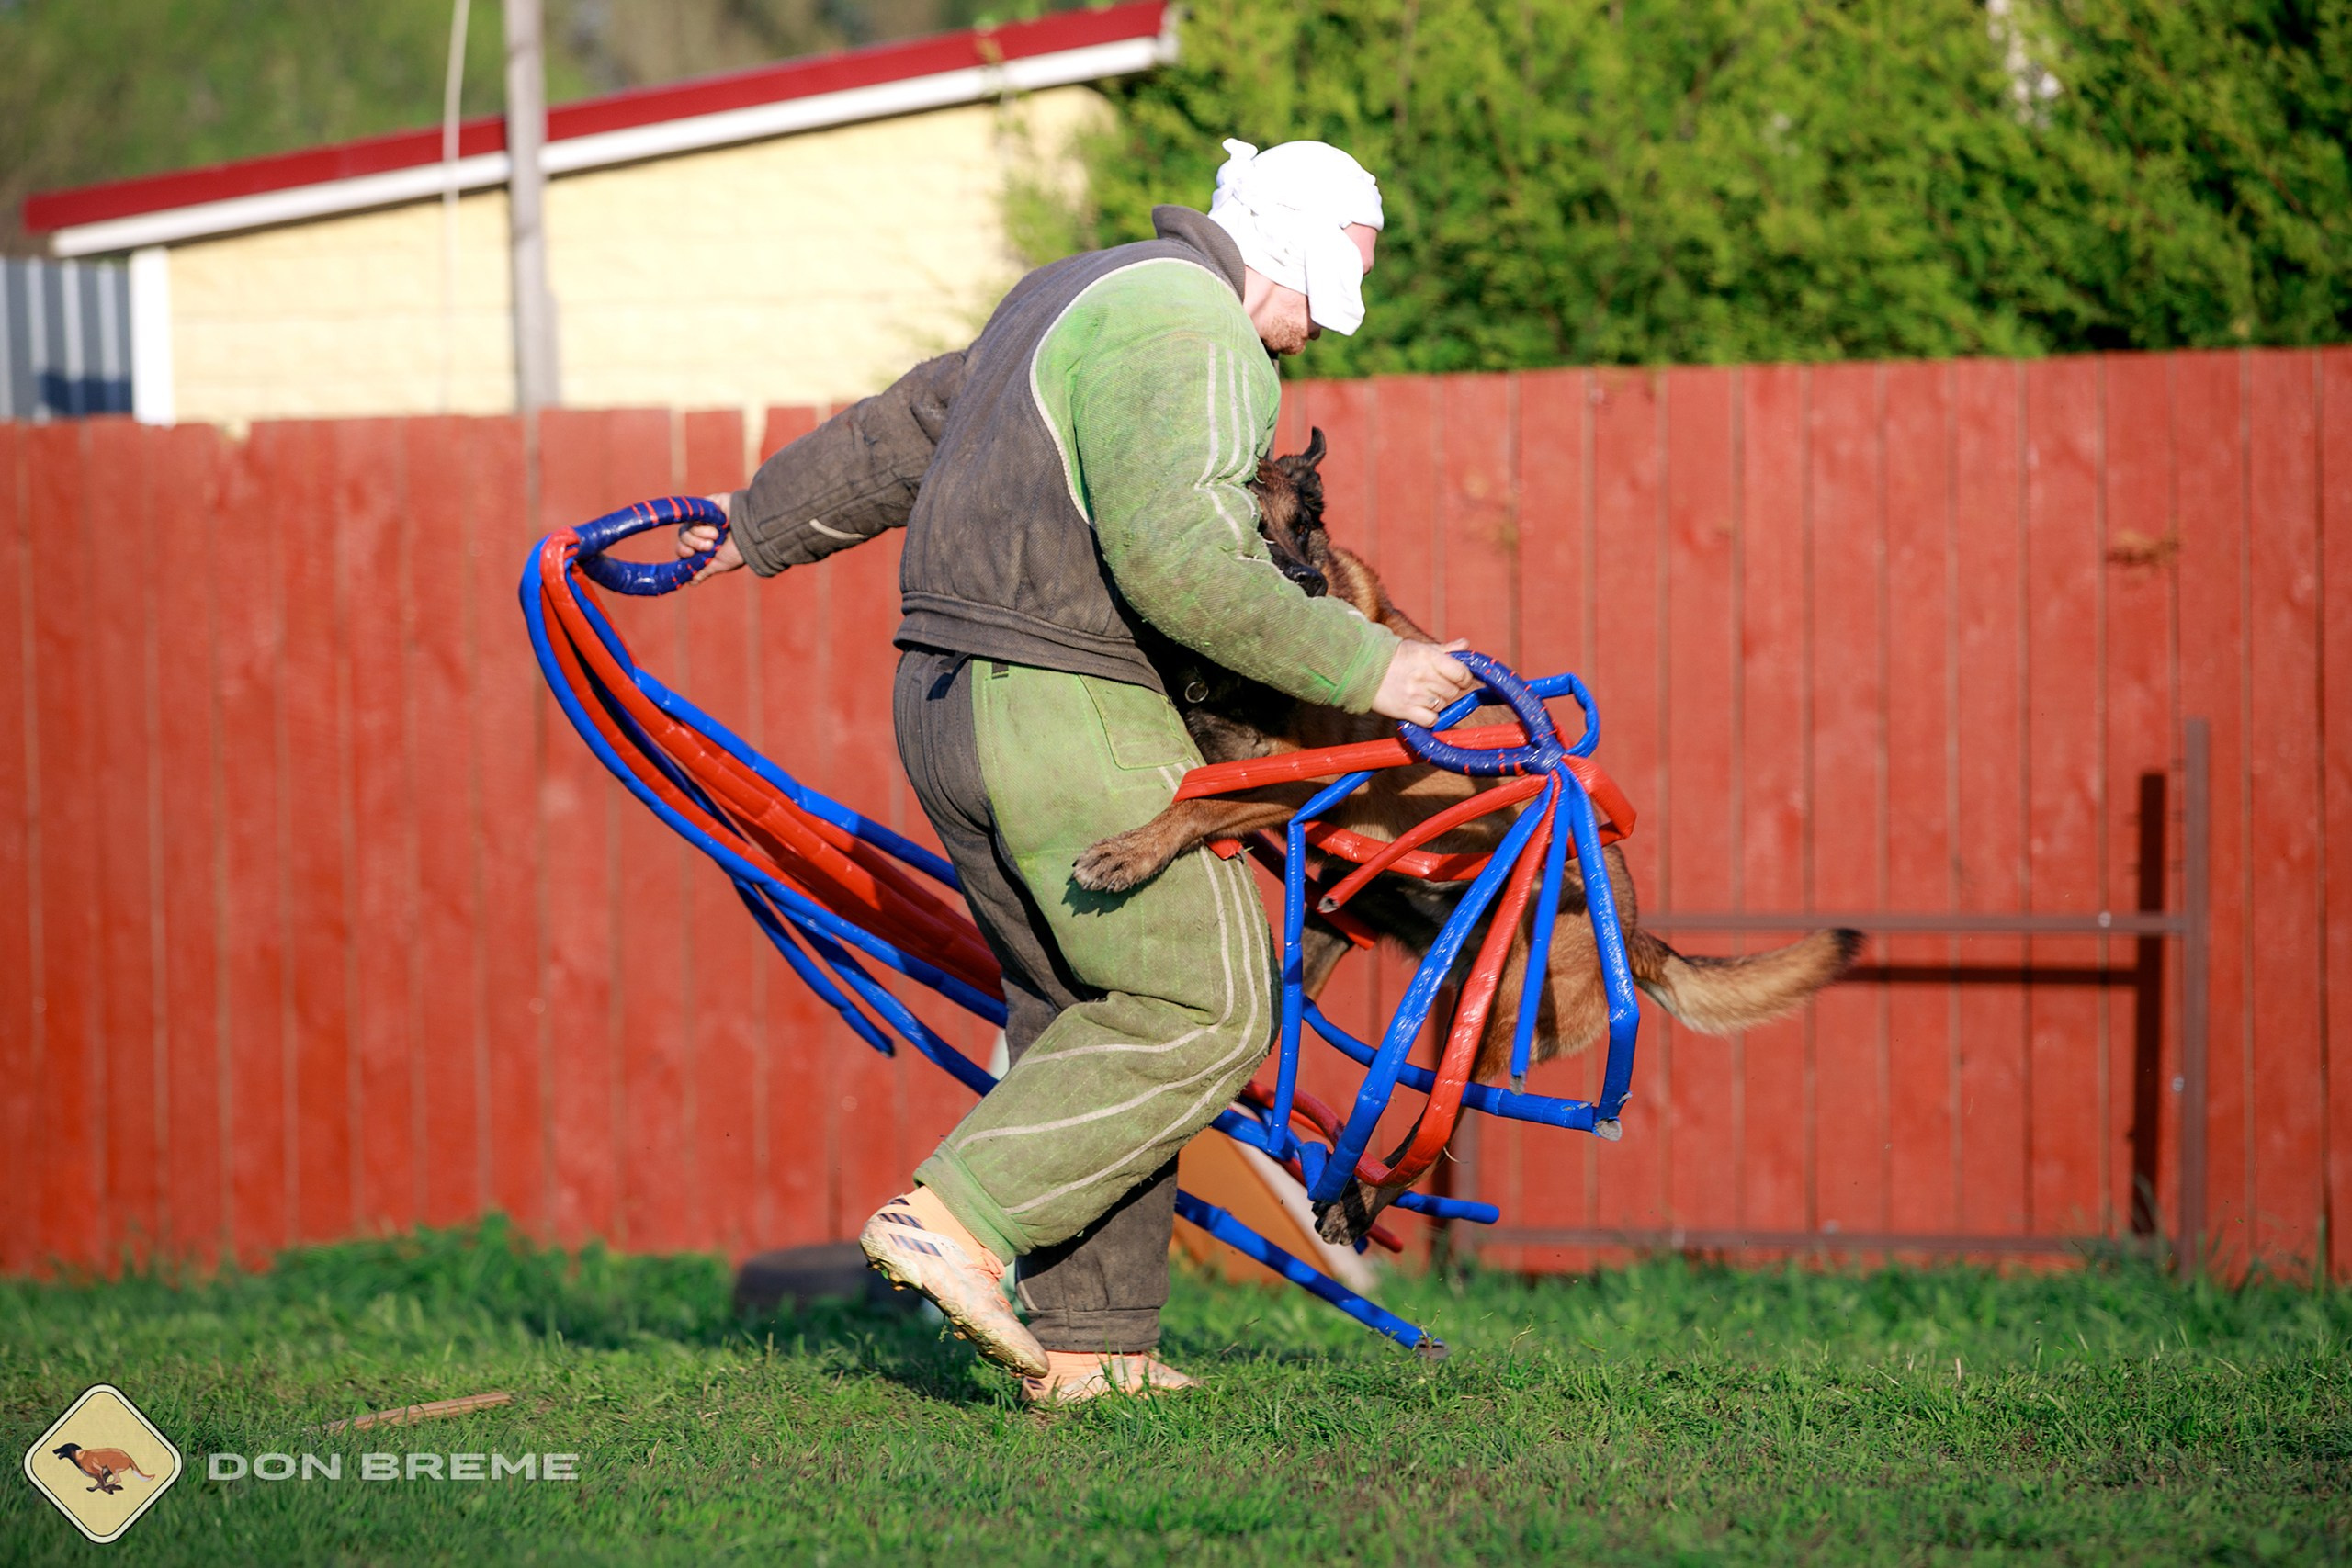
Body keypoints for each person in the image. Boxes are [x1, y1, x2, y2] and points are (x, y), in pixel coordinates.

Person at [678, 138, 1475, 1404]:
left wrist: (750, 524)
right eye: (1337, 292)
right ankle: (961, 1218)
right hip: (1067, 700)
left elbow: (906, 429)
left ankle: (1094, 1349)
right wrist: (1366, 670)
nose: (1322, 335)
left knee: (1083, 1011)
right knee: (1209, 1008)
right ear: (1293, 251)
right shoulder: (1203, 330)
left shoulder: (1071, 294)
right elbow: (1184, 563)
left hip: (943, 705)